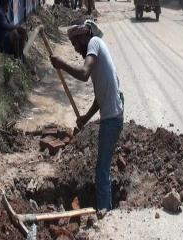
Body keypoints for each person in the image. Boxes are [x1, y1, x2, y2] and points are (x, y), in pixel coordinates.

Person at [50, 20, 124, 217]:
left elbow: (83, 74)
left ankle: (104, 211)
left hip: (112, 119)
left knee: (101, 169)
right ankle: (105, 205)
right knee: (103, 166)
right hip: (113, 113)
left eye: (75, 43)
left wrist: (61, 64)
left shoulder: (94, 43)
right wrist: (85, 117)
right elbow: (101, 97)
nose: (75, 49)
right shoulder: (98, 49)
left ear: (83, 36)